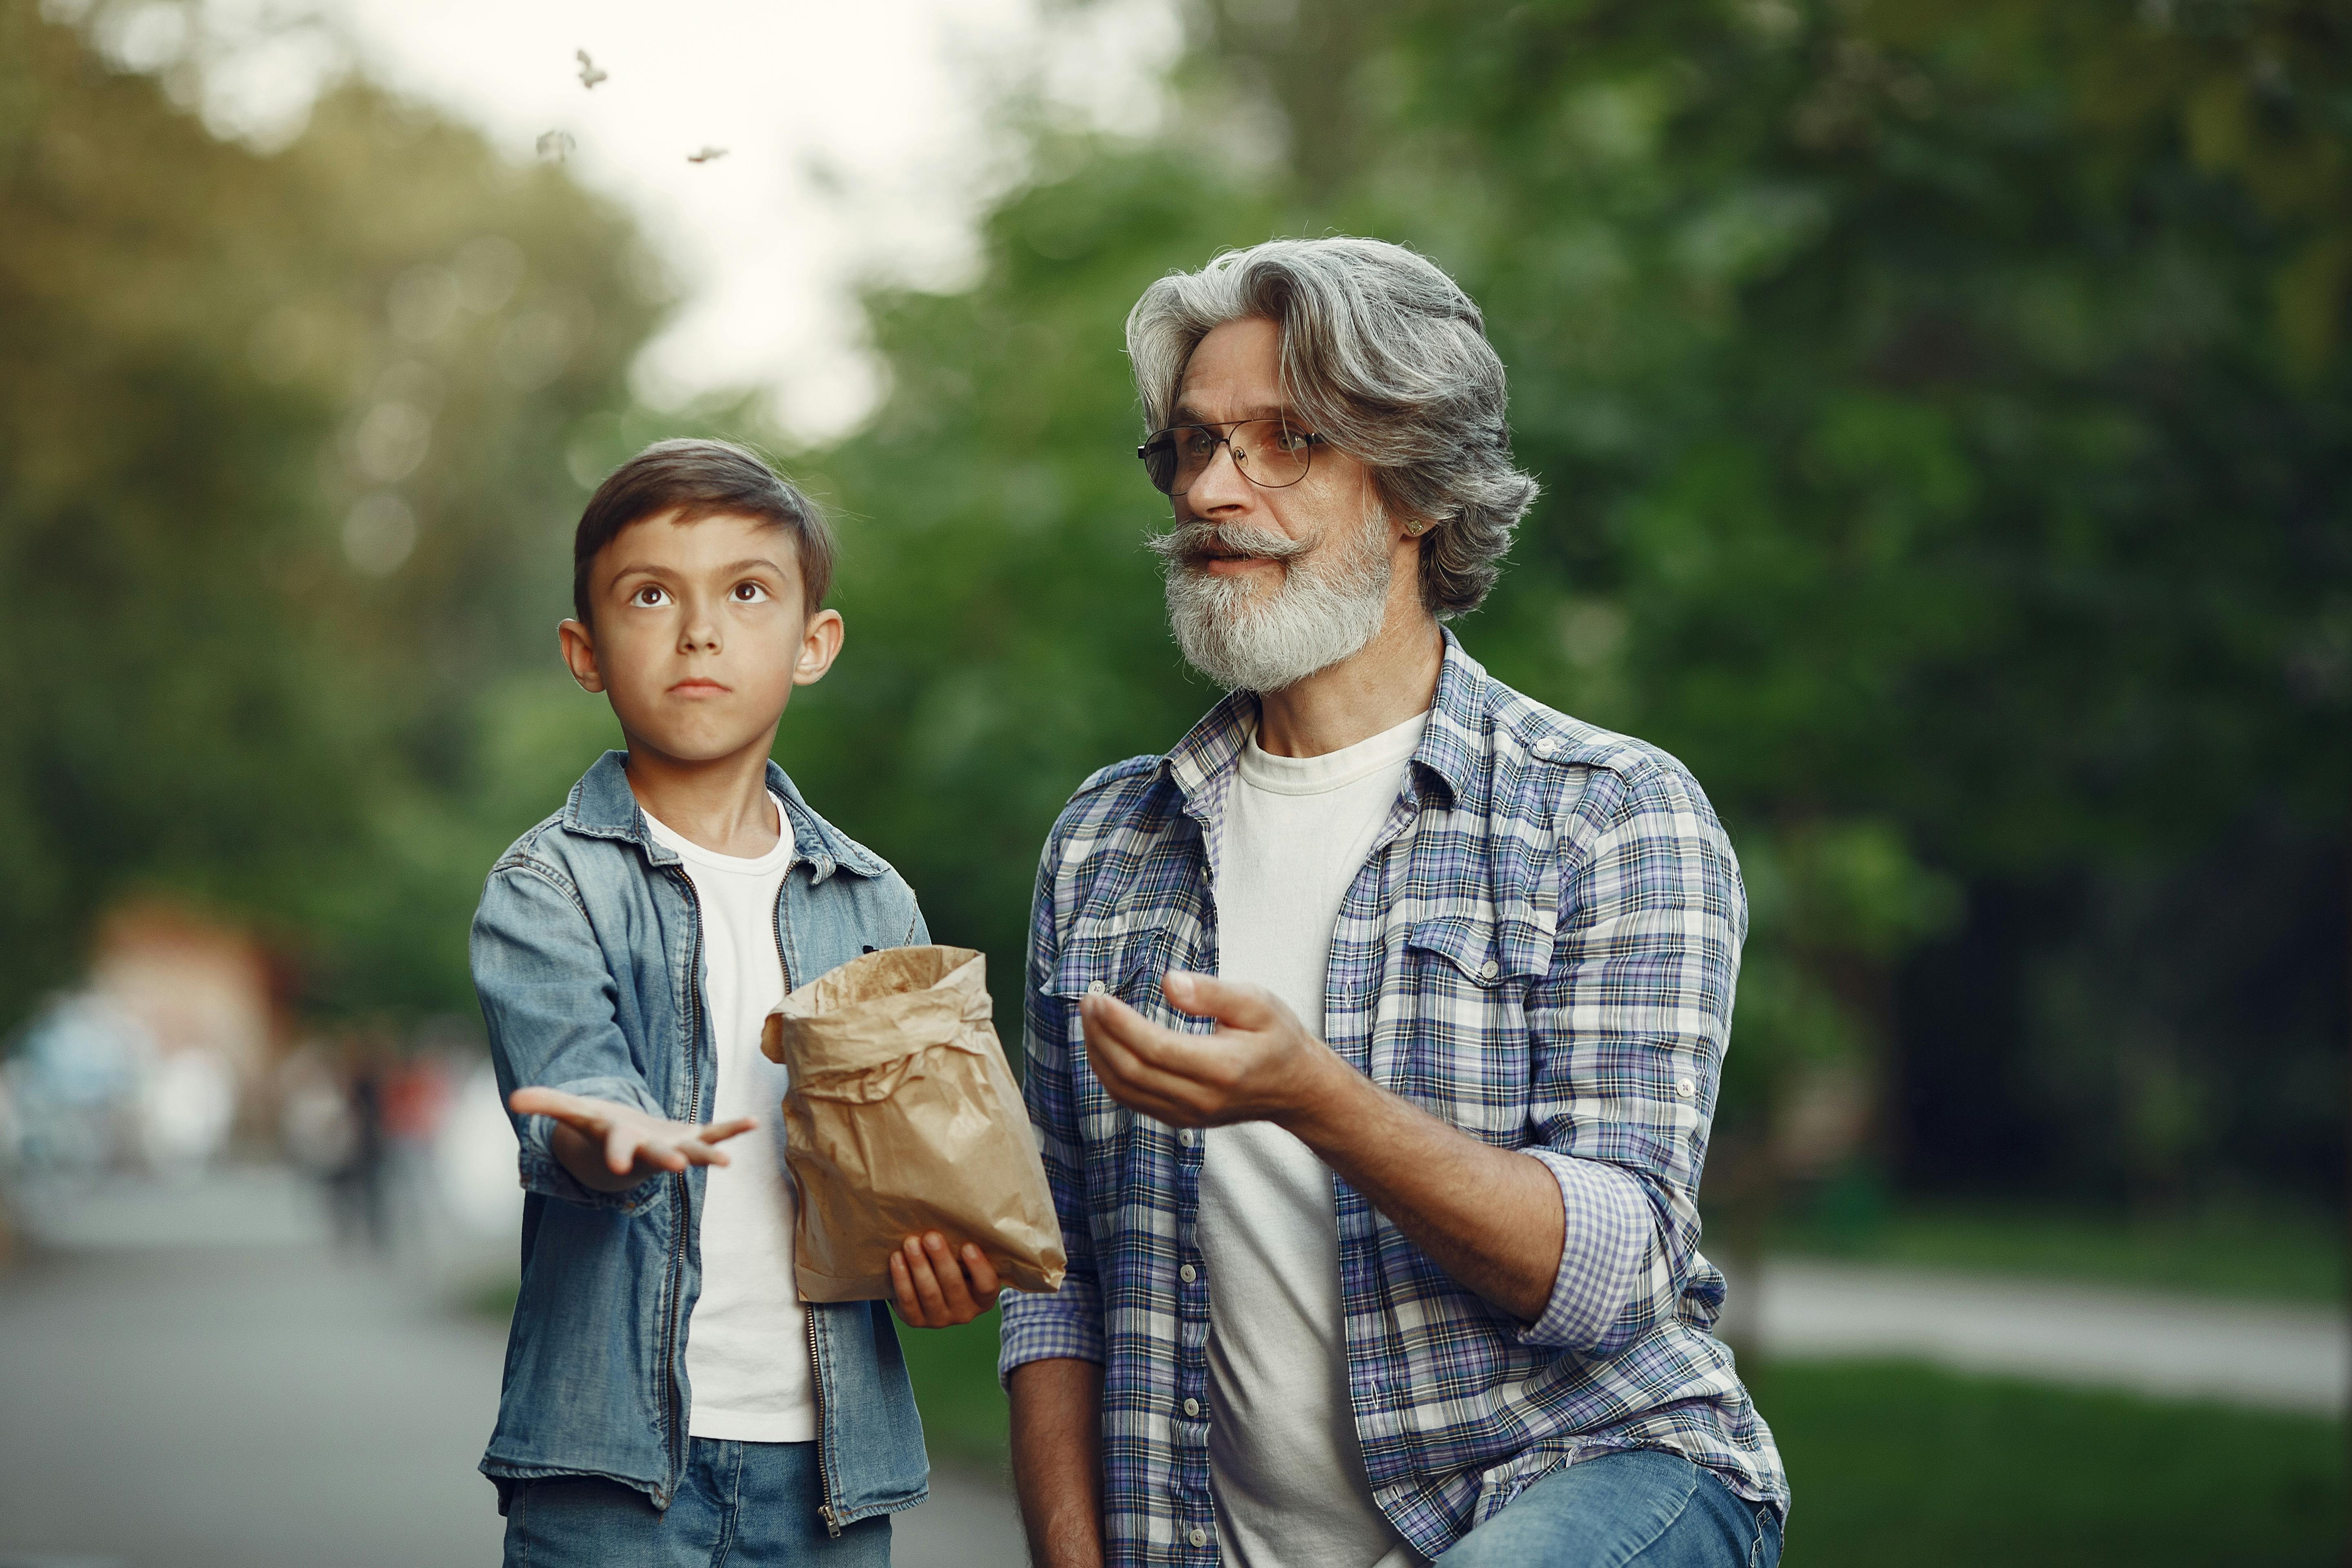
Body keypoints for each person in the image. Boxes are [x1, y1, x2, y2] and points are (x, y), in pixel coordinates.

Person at [1000, 239, 1788, 1568]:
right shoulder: (1104, 845)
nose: (1210, 488)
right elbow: (1056, 1276)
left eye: (1284, 441)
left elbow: (1609, 1275)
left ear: (1419, 484)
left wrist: (1313, 1096)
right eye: (1192, 445)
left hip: (1594, 1472)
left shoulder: (1609, 814)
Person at [471, 439, 999, 1565]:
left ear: (815, 642)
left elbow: (912, 1170)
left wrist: (943, 1262)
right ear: (585, 651)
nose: (698, 630)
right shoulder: (547, 888)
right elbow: (573, 1093)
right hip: (609, 1475)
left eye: (746, 592)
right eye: (651, 595)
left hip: (831, 1479)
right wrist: (601, 1137)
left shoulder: (874, 899)